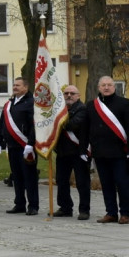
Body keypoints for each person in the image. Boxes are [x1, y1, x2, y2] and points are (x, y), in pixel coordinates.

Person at [89, 76, 129, 224]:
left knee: (122, 183)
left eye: (109, 85)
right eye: (103, 85)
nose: (106, 87)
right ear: (98, 88)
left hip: (120, 153)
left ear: (114, 87)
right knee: (106, 184)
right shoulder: (92, 105)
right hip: (100, 152)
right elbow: (87, 129)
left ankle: (125, 213)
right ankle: (111, 212)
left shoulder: (125, 104)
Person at [0, 76, 38, 216]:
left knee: (29, 177)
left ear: (26, 87)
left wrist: (30, 143)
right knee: (16, 176)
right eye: (14, 85)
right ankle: (19, 204)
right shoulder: (9, 104)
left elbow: (34, 126)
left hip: (25, 146)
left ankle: (33, 205)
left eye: (18, 85)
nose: (14, 87)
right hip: (12, 146)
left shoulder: (31, 103)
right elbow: (2, 124)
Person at [56, 85, 91, 220]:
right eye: (66, 93)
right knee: (61, 181)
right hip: (62, 151)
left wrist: (58, 120)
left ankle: (84, 210)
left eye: (72, 93)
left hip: (78, 151)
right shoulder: (60, 110)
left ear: (78, 95)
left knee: (82, 182)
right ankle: (65, 208)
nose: (69, 95)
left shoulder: (82, 109)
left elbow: (72, 125)